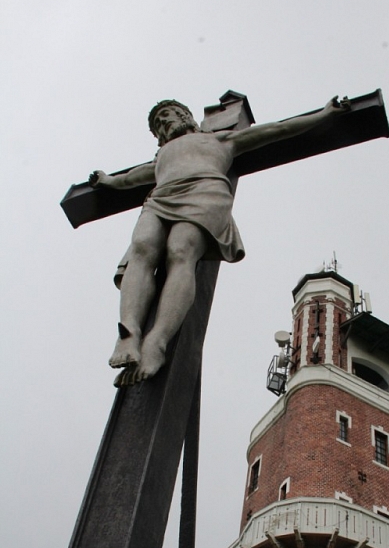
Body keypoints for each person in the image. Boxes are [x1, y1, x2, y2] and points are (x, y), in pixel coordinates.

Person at [90, 96, 348, 386]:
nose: (165, 122)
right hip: (160, 197)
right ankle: (130, 333)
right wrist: (109, 181)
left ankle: (157, 342)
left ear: (186, 115)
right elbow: (133, 178)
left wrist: (325, 114)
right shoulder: (163, 155)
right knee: (141, 248)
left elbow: (278, 130)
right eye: (159, 124)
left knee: (181, 250)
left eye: (170, 114)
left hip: (204, 192)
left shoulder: (221, 139)